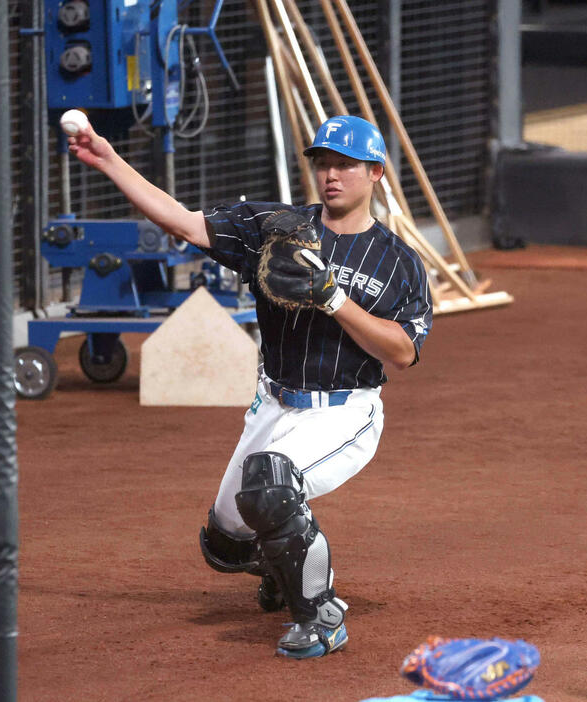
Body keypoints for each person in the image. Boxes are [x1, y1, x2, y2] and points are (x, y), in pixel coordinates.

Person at [67, 114, 432, 659]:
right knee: (224, 543)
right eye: (323, 163)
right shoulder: (276, 229)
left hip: (343, 412)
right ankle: (284, 566)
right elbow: (187, 225)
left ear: (376, 173)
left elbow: (403, 353)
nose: (331, 174)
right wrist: (110, 160)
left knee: (271, 485)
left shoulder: (399, 262)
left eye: (346, 164)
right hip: (272, 403)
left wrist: (333, 298)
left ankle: (321, 616)